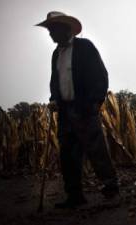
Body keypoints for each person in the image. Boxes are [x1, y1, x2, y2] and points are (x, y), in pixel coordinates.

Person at [36, 11, 120, 209]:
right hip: (65, 112)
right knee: (68, 155)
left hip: (85, 109)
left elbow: (100, 75)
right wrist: (54, 98)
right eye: (49, 31)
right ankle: (74, 195)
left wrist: (94, 103)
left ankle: (111, 189)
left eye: (53, 30)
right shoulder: (56, 54)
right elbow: (55, 81)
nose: (50, 35)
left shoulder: (85, 47)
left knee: (96, 150)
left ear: (65, 29)